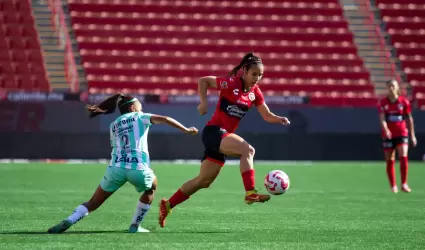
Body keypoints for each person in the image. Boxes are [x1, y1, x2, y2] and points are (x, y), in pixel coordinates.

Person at [159, 52, 290, 228]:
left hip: (222, 137)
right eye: (254, 74)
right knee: (248, 150)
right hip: (214, 132)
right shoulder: (232, 83)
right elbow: (203, 81)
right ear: (244, 70)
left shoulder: (255, 92)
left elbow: (266, 115)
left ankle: (167, 204)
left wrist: (278, 118)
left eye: (260, 75)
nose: (257, 78)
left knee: (203, 181)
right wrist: (204, 103)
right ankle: (250, 192)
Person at [47, 93, 198, 234]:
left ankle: (70, 219)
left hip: (116, 167)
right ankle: (135, 226)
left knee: (93, 202)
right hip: (137, 167)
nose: (142, 108)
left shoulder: (114, 124)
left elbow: (115, 146)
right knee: (152, 187)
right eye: (140, 105)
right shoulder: (140, 116)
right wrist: (186, 129)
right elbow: (165, 119)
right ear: (133, 107)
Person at [379, 79, 417, 193]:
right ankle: (393, 186)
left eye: (393, 85)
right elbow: (382, 118)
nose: (391, 88)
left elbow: (409, 119)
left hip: (402, 132)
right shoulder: (383, 102)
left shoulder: (404, 102)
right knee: (390, 159)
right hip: (389, 135)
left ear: (397, 87)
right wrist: (386, 130)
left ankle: (404, 183)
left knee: (403, 154)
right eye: (389, 86)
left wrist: (412, 135)